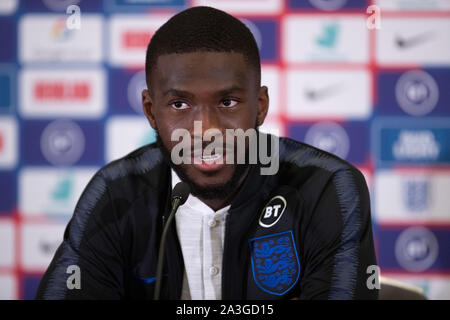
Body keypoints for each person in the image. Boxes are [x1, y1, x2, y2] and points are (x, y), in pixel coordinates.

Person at [36, 6, 378, 300]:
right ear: (151, 112)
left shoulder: (325, 187)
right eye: (180, 104)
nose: (206, 130)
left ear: (259, 107)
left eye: (227, 102)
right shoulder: (115, 193)